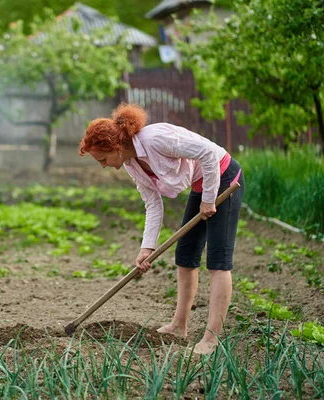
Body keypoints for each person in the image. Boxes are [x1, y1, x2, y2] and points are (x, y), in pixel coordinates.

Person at [79, 102, 244, 355]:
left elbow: (209, 154)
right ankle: (179, 326)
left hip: (223, 178)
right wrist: (147, 248)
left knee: (218, 260)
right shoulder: (131, 164)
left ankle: (212, 338)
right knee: (185, 256)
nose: (103, 165)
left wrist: (209, 199)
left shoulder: (156, 139)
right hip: (202, 186)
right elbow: (153, 203)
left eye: (102, 159)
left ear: (115, 148)